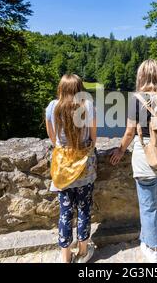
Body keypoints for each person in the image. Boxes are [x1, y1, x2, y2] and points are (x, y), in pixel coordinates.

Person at [110, 59, 157, 263]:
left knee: (148, 206)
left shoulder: (136, 99)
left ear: (141, 76)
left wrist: (120, 149)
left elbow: (129, 132)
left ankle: (151, 248)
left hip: (146, 159)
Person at [45, 74, 97, 263]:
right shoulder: (88, 106)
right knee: (84, 209)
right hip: (84, 167)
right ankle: (83, 252)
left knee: (65, 212)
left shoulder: (52, 107)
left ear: (61, 89)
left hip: (63, 167)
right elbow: (93, 138)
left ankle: (65, 257)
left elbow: (53, 138)